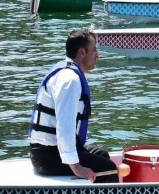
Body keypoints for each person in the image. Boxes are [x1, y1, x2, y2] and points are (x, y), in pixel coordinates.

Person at [29, 29, 118, 183]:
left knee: (102, 154)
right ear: (82, 52)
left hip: (51, 152)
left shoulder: (69, 73)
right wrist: (77, 167)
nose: (97, 54)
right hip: (47, 156)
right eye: (94, 49)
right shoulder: (69, 80)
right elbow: (65, 128)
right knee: (108, 168)